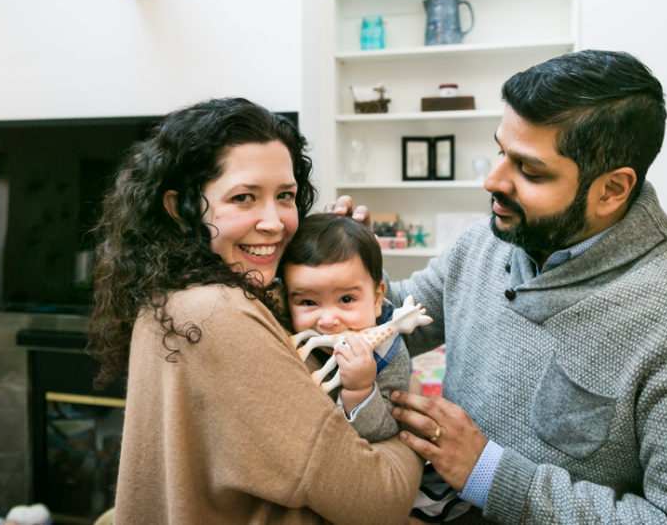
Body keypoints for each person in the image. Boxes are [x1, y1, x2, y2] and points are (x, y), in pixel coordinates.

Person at [330, 50, 667, 523]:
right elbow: (398, 321)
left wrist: (491, 474)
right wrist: (341, 280)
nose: (492, 179)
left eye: (529, 170)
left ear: (611, 189)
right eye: (502, 151)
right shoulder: (485, 245)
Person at [89, 97, 422, 524]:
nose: (275, 222)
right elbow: (380, 500)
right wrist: (411, 425)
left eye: (285, 196)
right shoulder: (219, 313)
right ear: (179, 209)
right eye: (244, 197)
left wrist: (341, 271)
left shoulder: (175, 295)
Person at [282, 213, 411, 443]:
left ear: (376, 298)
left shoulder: (389, 354)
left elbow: (388, 429)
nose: (329, 320)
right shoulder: (282, 333)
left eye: (346, 299)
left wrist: (360, 390)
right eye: (309, 302)